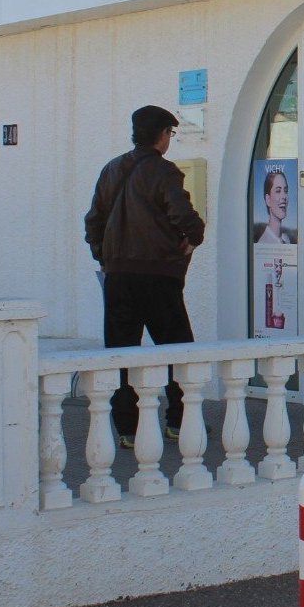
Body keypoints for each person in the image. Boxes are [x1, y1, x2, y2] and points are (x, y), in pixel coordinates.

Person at [84, 105, 206, 448]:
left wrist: (105, 256)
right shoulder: (163, 171)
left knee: (120, 354)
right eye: (171, 133)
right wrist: (193, 237)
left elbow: (93, 221)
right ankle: (179, 423)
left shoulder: (112, 169)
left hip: (118, 277)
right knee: (177, 351)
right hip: (158, 276)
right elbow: (183, 215)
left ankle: (127, 430)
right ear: (164, 134)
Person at [254, 167, 293, 243]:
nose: (284, 196)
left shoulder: (286, 238)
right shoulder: (264, 242)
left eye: (285, 191)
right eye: (278, 191)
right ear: (268, 199)